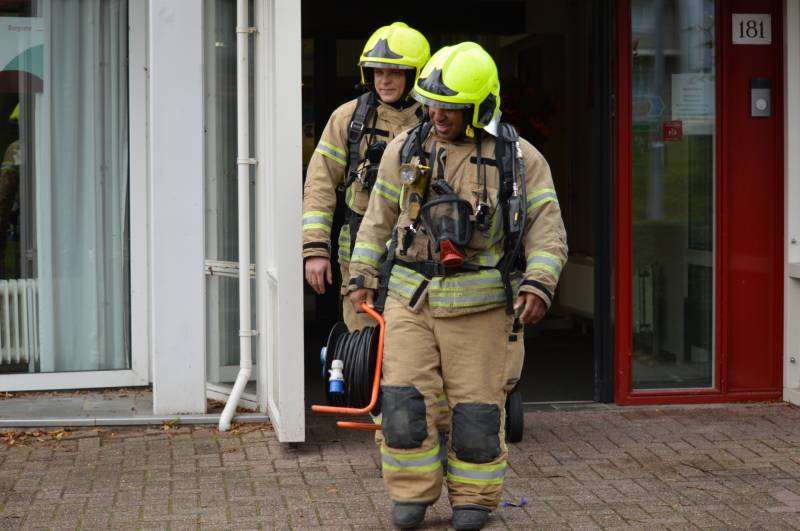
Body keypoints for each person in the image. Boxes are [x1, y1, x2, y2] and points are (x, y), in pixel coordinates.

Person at [348, 42, 567, 530]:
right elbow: (376, 220)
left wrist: (539, 282)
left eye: (450, 106)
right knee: (403, 406)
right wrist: (360, 278)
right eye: (431, 102)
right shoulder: (406, 149)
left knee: (476, 414)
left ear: (480, 106)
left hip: (483, 311)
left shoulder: (520, 160)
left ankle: (474, 499)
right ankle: (411, 495)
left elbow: (548, 231)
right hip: (411, 301)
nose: (437, 113)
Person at [302, 22, 430, 331]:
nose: (384, 81)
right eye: (377, 71)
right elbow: (319, 185)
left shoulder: (436, 120)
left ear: (415, 74)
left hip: (420, 256)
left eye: (394, 72)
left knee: (413, 350)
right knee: (363, 347)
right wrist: (315, 250)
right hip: (359, 257)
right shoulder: (348, 119)